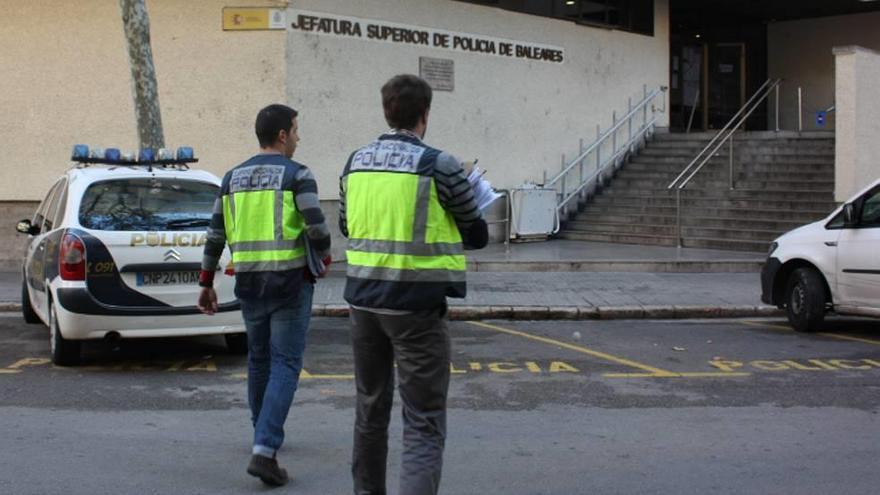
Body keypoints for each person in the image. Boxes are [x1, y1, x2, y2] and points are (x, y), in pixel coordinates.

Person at [339, 74, 489, 495]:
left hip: (364, 303)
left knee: (370, 410)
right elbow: (476, 234)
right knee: (423, 420)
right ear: (425, 114)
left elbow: (346, 224)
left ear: (386, 111)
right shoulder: (438, 164)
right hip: (416, 307)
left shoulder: (355, 162)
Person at [197, 103, 331, 487]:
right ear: (283, 135)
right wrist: (323, 253)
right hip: (290, 283)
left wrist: (205, 282)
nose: (299, 137)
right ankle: (265, 448)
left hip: (250, 283)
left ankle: (262, 434)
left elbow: (215, 235)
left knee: (258, 360)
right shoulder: (298, 175)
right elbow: (316, 226)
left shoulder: (230, 178)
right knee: (286, 363)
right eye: (296, 130)